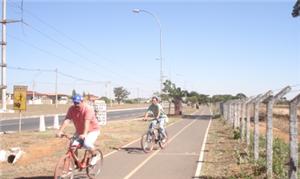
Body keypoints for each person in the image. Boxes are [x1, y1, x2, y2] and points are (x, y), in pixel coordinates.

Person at [56, 94, 100, 166]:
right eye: (74, 102)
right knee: (72, 145)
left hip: (92, 130)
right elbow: (67, 120)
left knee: (87, 143)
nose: (76, 104)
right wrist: (60, 131)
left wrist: (85, 134)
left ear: (82, 101)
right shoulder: (71, 109)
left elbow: (87, 122)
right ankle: (76, 163)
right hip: (80, 131)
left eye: (77, 102)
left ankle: (95, 155)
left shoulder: (88, 109)